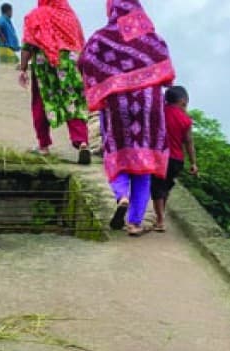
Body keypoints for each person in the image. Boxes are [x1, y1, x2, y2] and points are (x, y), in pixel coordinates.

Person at [77, 0, 175, 236]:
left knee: (117, 154)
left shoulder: (102, 38)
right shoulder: (154, 38)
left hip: (118, 106)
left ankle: (122, 195)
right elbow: (168, 74)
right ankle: (134, 223)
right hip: (149, 108)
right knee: (143, 167)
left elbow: (84, 61)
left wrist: (106, 81)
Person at [17, 0, 92, 164]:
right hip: (69, 63)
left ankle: (43, 145)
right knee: (74, 102)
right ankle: (82, 142)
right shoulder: (69, 16)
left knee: (42, 101)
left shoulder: (35, 15)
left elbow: (28, 45)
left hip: (45, 64)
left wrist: (22, 69)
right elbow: (80, 42)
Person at [150, 85, 198, 232]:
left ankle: (159, 220)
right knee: (165, 187)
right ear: (183, 102)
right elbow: (189, 142)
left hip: (160, 157)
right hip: (177, 160)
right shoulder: (186, 120)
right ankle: (160, 216)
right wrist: (194, 163)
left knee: (157, 188)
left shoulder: (159, 112)